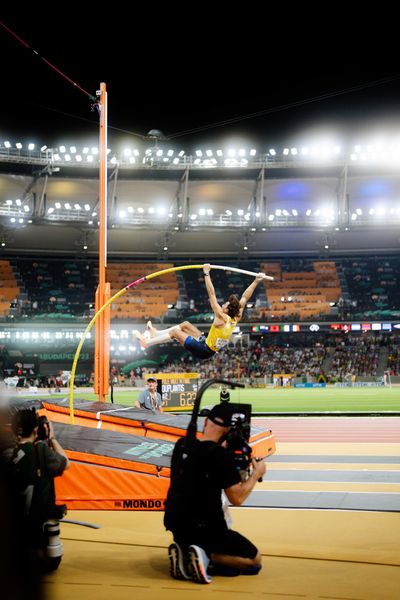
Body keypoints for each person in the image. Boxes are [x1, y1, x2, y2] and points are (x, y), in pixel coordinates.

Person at [164, 402, 266, 584]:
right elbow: (237, 497)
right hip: (207, 530)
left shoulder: (181, 446)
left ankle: (186, 547)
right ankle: (202, 554)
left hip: (177, 525)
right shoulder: (220, 456)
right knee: (254, 561)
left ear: (205, 423)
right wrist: (256, 473)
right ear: (227, 431)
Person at [135, 264, 267, 360]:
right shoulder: (235, 317)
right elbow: (245, 297)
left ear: (227, 310)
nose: (222, 304)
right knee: (185, 324)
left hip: (204, 350)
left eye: (225, 305)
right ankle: (156, 333)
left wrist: (206, 273)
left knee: (175, 333)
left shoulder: (221, 317)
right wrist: (256, 281)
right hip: (206, 343)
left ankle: (147, 343)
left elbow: (211, 294)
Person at [3, 408, 70, 574]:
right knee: (52, 518)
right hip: (40, 540)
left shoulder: (8, 454)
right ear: (36, 430)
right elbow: (66, 463)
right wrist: (51, 438)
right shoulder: (41, 452)